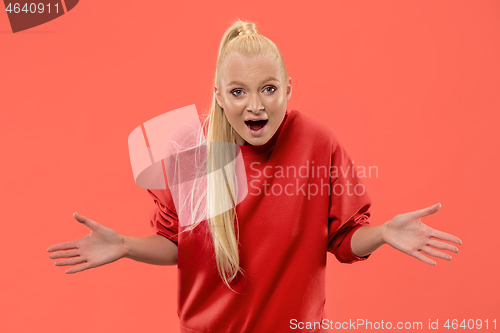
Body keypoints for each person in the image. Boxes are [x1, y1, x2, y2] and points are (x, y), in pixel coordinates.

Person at [47, 19, 462, 333]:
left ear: (288, 88)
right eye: (238, 92)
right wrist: (122, 245)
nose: (255, 106)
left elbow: (344, 240)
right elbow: (176, 245)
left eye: (268, 88)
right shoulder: (194, 152)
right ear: (219, 95)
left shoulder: (317, 142)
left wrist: (385, 232)